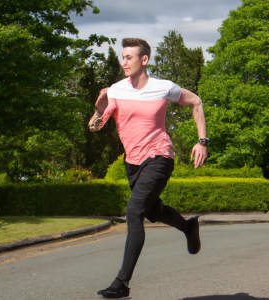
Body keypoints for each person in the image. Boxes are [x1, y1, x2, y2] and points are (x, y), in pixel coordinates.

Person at [92, 38, 208, 299]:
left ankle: (121, 282)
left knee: (134, 210)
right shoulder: (116, 90)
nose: (123, 62)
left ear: (144, 60)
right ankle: (188, 227)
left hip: (159, 157)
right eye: (122, 57)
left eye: (129, 57)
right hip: (132, 163)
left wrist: (202, 141)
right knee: (153, 212)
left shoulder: (163, 87)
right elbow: (97, 125)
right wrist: (100, 107)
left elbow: (196, 102)